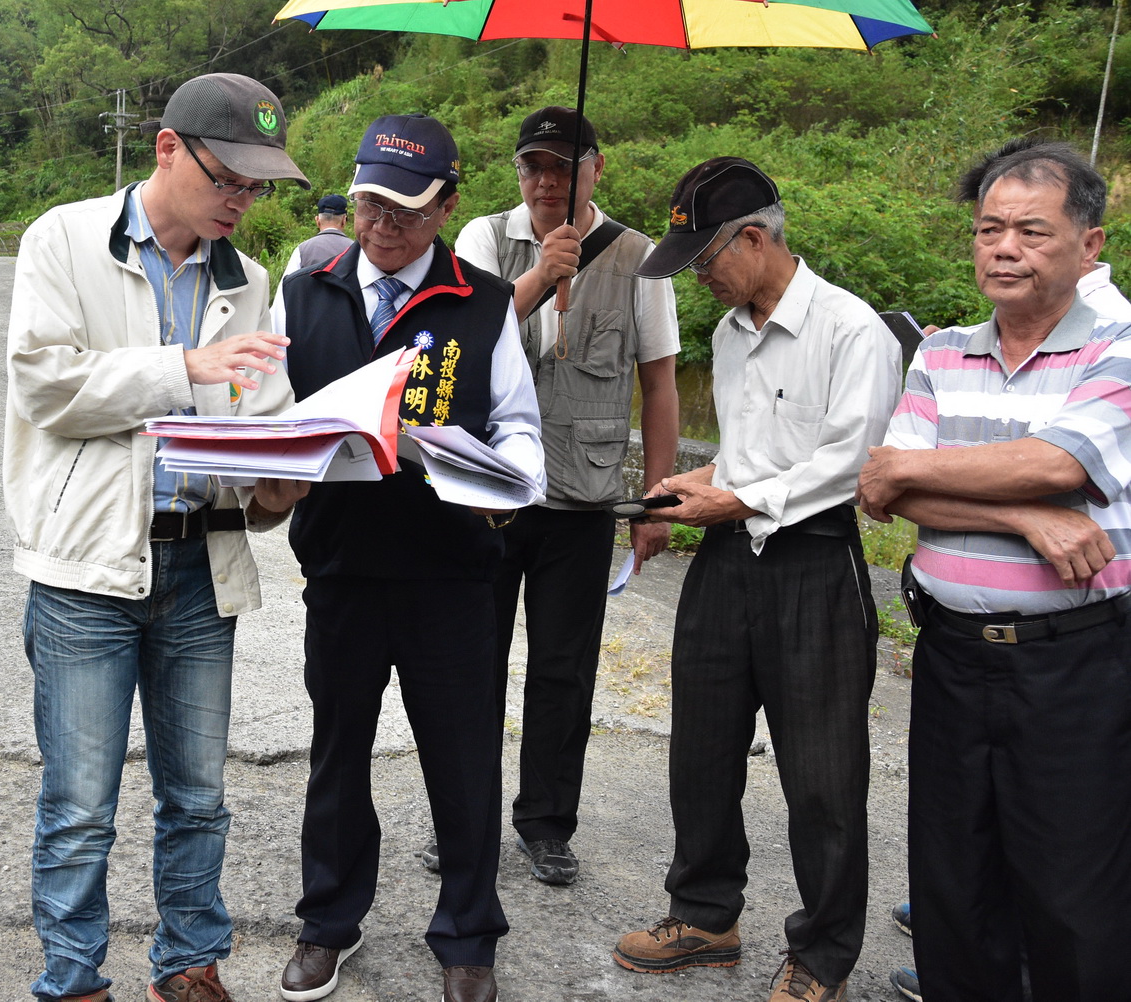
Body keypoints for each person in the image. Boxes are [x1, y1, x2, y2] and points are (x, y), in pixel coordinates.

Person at [4, 72, 310, 1002]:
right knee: (81, 807)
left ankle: (190, 966)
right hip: (89, 567)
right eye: (230, 179)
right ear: (167, 149)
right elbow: (47, 386)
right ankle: (73, 979)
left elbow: (261, 411)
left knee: (198, 800)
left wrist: (286, 475)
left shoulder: (250, 281)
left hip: (199, 565)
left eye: (259, 189)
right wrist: (184, 368)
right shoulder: (64, 240)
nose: (243, 204)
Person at [269, 113, 545, 1002]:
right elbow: (269, 411)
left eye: (406, 209)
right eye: (370, 202)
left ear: (448, 207)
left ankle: (467, 934)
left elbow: (520, 428)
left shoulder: (484, 301)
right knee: (338, 750)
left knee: (462, 757)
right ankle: (328, 923)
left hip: (451, 572)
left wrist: (504, 483)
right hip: (343, 566)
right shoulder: (304, 289)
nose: (383, 224)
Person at [611, 157, 900, 1002]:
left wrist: (734, 495)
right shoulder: (731, 333)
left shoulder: (852, 331)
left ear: (753, 237)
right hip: (729, 558)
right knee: (701, 745)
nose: (701, 278)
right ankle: (704, 912)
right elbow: (747, 457)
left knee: (823, 774)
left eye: (707, 260)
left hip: (815, 562)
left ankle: (822, 954)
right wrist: (699, 489)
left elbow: (851, 465)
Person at [857, 142, 1131, 1002]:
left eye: (1031, 231)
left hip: (1074, 666)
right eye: (989, 229)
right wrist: (1021, 513)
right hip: (951, 659)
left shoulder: (1117, 348)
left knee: (1071, 894)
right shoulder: (941, 355)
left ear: (1088, 247)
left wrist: (934, 473)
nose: (1004, 247)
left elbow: (1057, 462)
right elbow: (881, 485)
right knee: (953, 880)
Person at [447, 106, 680, 885]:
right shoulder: (483, 239)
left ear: (595, 169)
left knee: (563, 671)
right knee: (470, 665)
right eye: (533, 166)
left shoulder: (641, 257)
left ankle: (547, 824)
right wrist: (543, 274)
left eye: (563, 165)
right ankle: (464, 822)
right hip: (489, 494)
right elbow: (466, 340)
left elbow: (660, 382)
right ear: (517, 173)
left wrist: (657, 499)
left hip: (583, 499)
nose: (547, 181)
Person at [281, 193, 351, 276]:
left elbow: (285, 286)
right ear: (344, 220)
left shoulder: (302, 250)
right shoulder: (357, 250)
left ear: (317, 220)